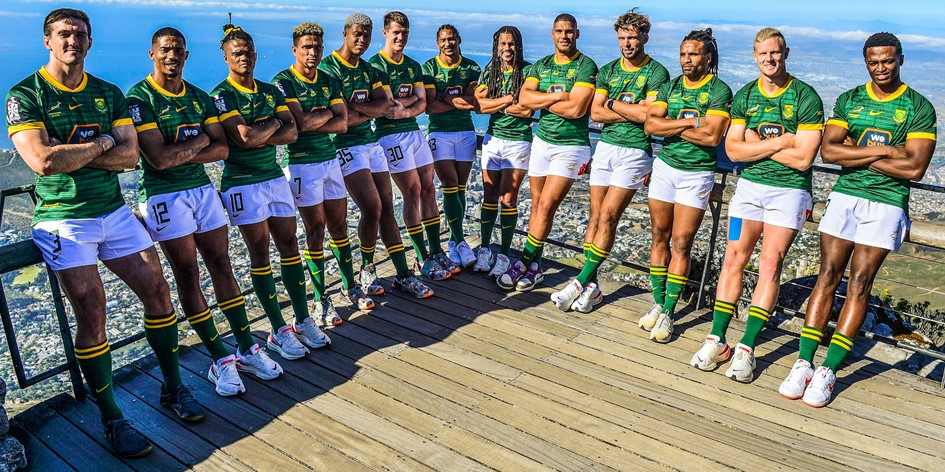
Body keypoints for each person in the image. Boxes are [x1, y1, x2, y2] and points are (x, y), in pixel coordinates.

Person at [6, 8, 202, 458]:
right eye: (63, 34)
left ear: (90, 42)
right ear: (47, 41)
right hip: (63, 218)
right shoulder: (26, 94)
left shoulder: (108, 92)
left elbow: (131, 158)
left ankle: (173, 388)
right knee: (92, 310)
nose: (72, 40)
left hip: (113, 211)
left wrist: (76, 153)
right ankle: (112, 418)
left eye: (80, 34)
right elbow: (43, 162)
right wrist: (103, 142)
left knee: (158, 290)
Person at [779, 32, 936, 407]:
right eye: (873, 61)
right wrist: (888, 151)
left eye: (888, 60)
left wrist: (858, 151)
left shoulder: (919, 107)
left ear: (901, 59)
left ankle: (828, 369)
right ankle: (804, 362)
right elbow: (830, 153)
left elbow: (914, 168)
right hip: (846, 196)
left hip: (887, 203)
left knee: (860, 284)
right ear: (866, 62)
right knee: (827, 277)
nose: (881, 67)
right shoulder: (850, 99)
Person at [129, 27, 285, 398]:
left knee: (222, 264)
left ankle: (246, 347)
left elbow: (222, 150)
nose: (172, 56)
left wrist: (184, 149)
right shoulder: (139, 97)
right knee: (187, 273)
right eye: (165, 49)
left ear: (186, 55)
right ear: (152, 54)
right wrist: (200, 140)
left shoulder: (199, 97)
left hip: (200, 189)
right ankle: (219, 357)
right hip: (164, 195)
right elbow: (158, 159)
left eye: (178, 50)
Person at [690, 28, 824, 383]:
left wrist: (757, 143)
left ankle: (747, 346)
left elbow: (804, 159)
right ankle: (717, 339)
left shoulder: (806, 96)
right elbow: (733, 150)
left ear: (786, 53)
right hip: (748, 189)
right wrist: (782, 142)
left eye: (775, 53)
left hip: (789, 192)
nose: (770, 59)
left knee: (770, 263)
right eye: (763, 54)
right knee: (733, 258)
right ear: (754, 56)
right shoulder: (746, 95)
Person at [211, 22, 331, 363]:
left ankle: (301, 319)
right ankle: (278, 329)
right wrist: (274, 124)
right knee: (260, 252)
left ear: (255, 55)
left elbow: (292, 133)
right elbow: (244, 138)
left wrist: (267, 128)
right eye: (237, 53)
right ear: (225, 57)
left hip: (274, 176)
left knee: (290, 244)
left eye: (248, 53)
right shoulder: (222, 95)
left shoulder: (269, 91)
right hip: (242, 180)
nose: (244, 58)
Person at [550, 9, 668, 312]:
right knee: (595, 217)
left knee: (608, 217)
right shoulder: (608, 70)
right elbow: (596, 112)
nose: (627, 43)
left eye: (632, 37)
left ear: (645, 38)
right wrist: (631, 109)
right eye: (622, 38)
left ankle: (579, 281)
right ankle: (593, 289)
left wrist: (613, 104)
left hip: (635, 150)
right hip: (605, 147)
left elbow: (649, 116)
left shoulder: (656, 72)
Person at [319, 13, 425, 300]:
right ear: (345, 33)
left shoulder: (369, 70)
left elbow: (384, 107)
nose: (362, 40)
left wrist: (357, 109)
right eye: (357, 34)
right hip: (344, 146)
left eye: (366, 35)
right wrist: (365, 110)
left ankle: (403, 274)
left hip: (370, 143)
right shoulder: (328, 69)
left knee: (387, 206)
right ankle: (366, 268)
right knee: (372, 206)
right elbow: (340, 120)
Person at [639, 28, 732, 342]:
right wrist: (692, 122)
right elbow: (650, 125)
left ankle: (669, 310)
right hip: (665, 167)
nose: (686, 60)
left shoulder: (719, 90)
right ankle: (658, 302)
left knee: (681, 242)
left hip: (697, 173)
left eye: (693, 54)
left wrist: (671, 126)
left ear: (708, 57)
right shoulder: (671, 86)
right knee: (659, 236)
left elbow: (712, 136)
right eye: (682, 54)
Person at [498, 13, 598, 291]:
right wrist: (557, 97)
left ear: (577, 34)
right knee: (536, 206)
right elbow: (524, 97)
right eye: (559, 31)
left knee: (545, 206)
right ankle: (536, 268)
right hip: (543, 141)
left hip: (571, 146)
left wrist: (541, 100)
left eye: (569, 31)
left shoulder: (585, 65)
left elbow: (576, 109)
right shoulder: (542, 65)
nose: (564, 36)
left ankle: (522, 262)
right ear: (552, 34)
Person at [272, 22, 363, 326]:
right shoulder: (283, 81)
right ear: (295, 49)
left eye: (318, 47)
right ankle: (320, 298)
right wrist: (326, 115)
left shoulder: (328, 79)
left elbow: (342, 123)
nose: (313, 53)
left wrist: (316, 118)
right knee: (315, 229)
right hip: (302, 163)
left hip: (329, 159)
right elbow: (297, 125)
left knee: (339, 225)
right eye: (307, 47)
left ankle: (350, 285)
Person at [367, 11, 450, 291]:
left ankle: (436, 250)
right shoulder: (376, 66)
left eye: (404, 33)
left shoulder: (413, 65)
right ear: (385, 33)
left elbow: (422, 102)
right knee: (412, 191)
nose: (400, 37)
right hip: (389, 136)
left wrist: (407, 106)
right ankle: (422, 255)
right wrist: (410, 101)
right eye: (396, 32)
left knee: (429, 188)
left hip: (413, 131)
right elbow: (388, 106)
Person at [472, 25, 534, 277]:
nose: (507, 48)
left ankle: (505, 254)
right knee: (489, 195)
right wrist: (509, 100)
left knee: (508, 198)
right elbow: (478, 106)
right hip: (493, 139)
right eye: (503, 44)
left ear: (518, 45)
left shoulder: (529, 71)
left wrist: (496, 105)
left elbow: (527, 110)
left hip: (518, 141)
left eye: (511, 44)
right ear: (496, 47)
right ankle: (485, 248)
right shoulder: (491, 70)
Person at [422, 25, 481, 271]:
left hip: (466, 131)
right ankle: (460, 239)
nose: (448, 44)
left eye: (452, 39)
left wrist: (444, 96)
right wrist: (457, 100)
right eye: (444, 40)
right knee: (449, 184)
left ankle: (455, 242)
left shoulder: (472, 67)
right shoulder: (429, 68)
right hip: (439, 131)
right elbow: (429, 107)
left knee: (461, 187)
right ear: (438, 43)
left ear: (459, 40)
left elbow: (474, 102)